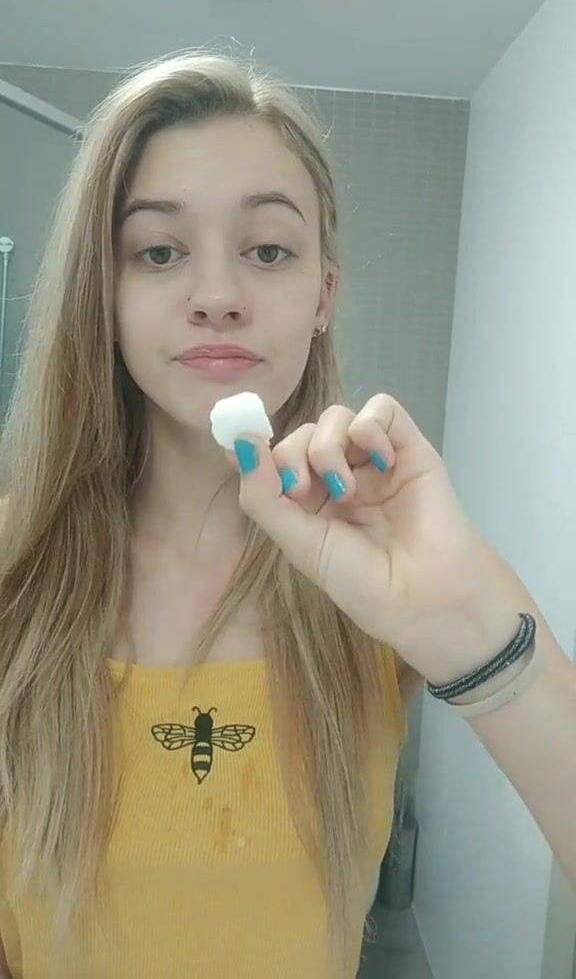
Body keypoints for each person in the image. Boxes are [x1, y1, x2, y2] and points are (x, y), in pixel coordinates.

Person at [0, 49, 574, 979]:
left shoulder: (379, 567)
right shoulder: (12, 564)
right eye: (159, 251)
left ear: (322, 297)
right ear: (105, 296)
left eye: (268, 251)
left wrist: (467, 625)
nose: (218, 297)